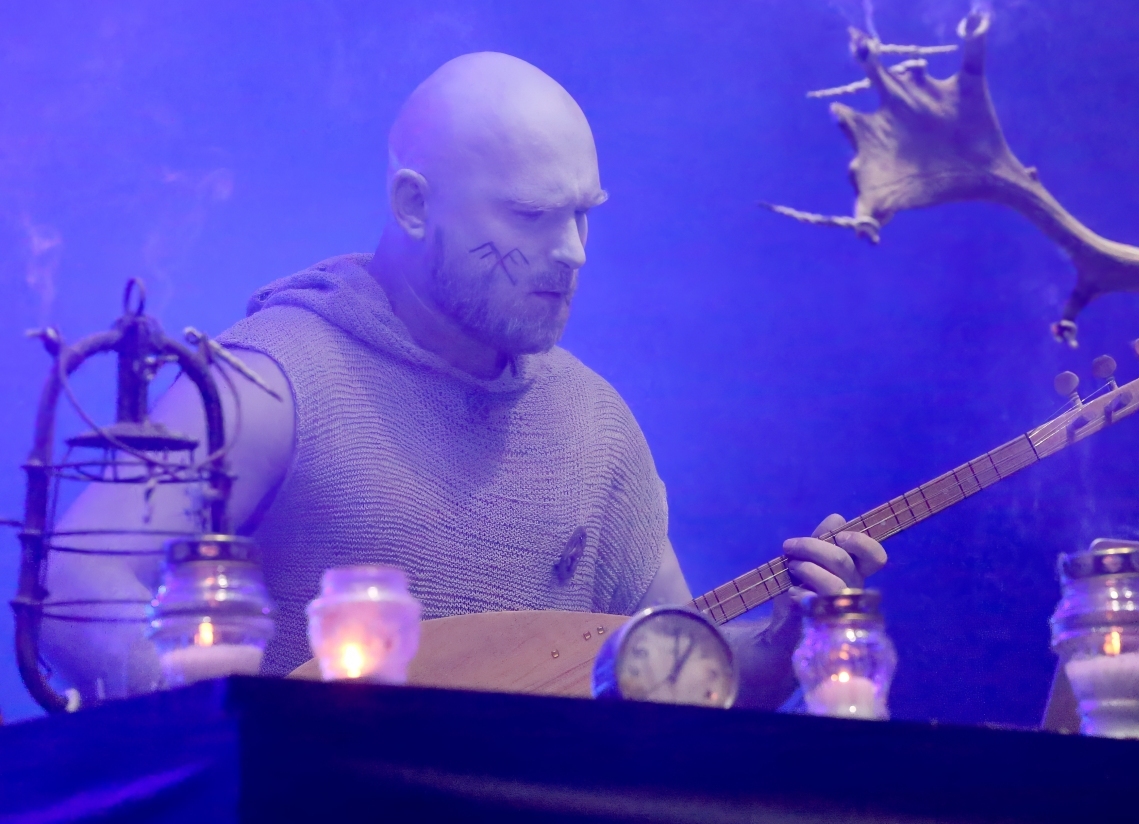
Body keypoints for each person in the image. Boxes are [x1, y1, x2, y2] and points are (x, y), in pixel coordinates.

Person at [41, 52, 884, 707]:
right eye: (530, 215)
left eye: (584, 215)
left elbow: (664, 672)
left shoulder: (596, 428)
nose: (572, 253)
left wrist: (777, 650)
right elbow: (73, 583)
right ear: (414, 205)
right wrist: (234, 732)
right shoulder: (272, 379)